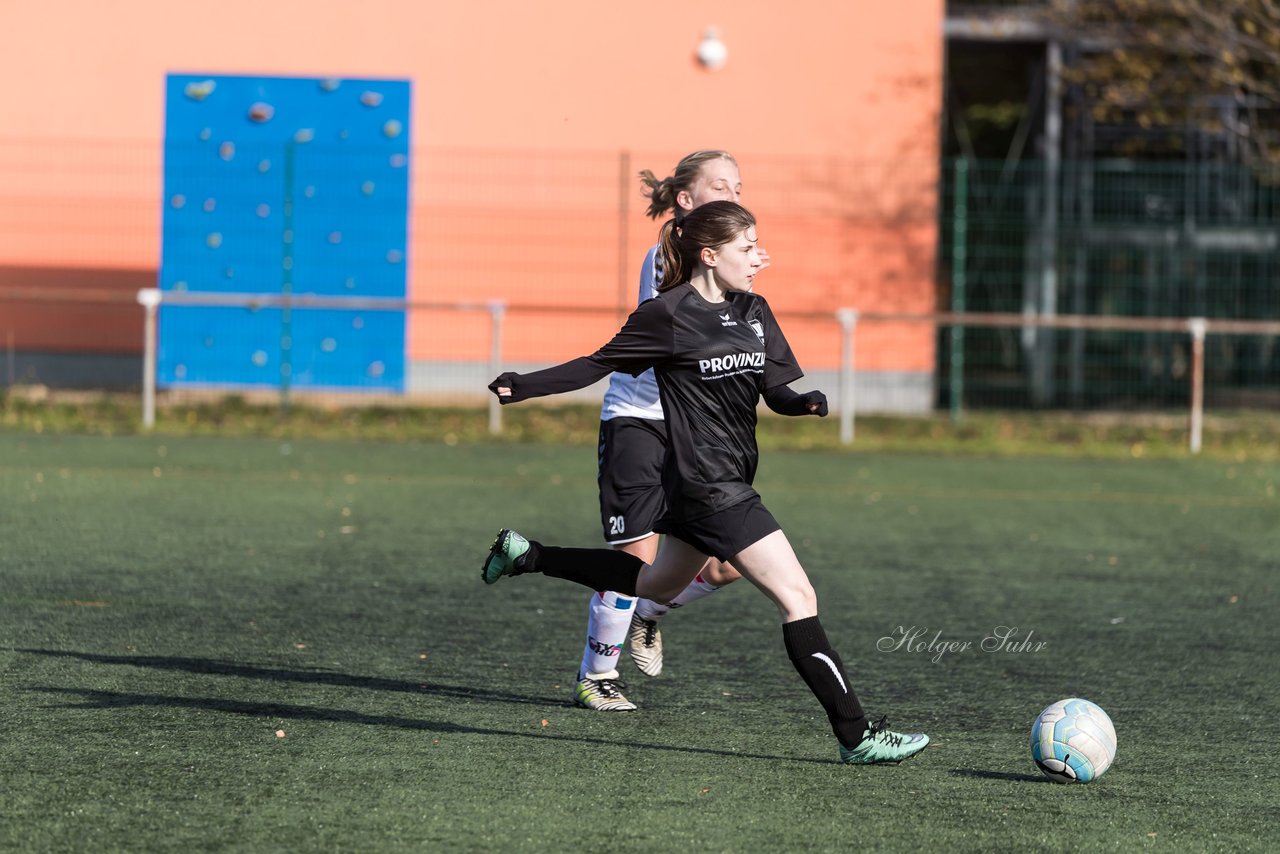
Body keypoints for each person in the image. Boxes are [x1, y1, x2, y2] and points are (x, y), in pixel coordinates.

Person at [482, 201, 929, 765]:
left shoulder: (753, 309)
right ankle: (857, 735)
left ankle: (530, 556)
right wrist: (522, 385)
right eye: (746, 249)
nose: (757, 259)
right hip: (710, 487)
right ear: (710, 255)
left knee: (652, 584)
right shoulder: (667, 314)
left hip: (719, 482)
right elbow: (597, 363)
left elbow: (774, 389)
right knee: (799, 598)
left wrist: (803, 402)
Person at [574, 150, 754, 712]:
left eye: (739, 186)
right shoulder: (670, 254)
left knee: (730, 564)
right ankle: (596, 676)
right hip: (640, 422)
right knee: (635, 556)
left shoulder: (729, 262)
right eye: (720, 185)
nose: (734, 194)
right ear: (686, 199)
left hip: (696, 431)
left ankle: (650, 614)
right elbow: (691, 322)